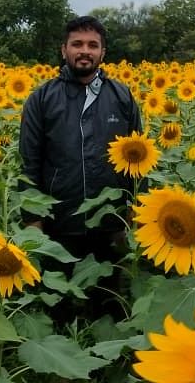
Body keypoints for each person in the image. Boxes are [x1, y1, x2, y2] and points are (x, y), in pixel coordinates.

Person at [18, 15, 145, 268]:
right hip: (58, 222)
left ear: (103, 53)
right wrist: (33, 219)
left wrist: (138, 208)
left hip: (111, 222)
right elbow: (29, 163)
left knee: (110, 299)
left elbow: (140, 160)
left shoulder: (121, 96)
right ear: (64, 50)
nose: (85, 51)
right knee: (59, 300)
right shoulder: (42, 99)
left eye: (92, 45)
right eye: (77, 44)